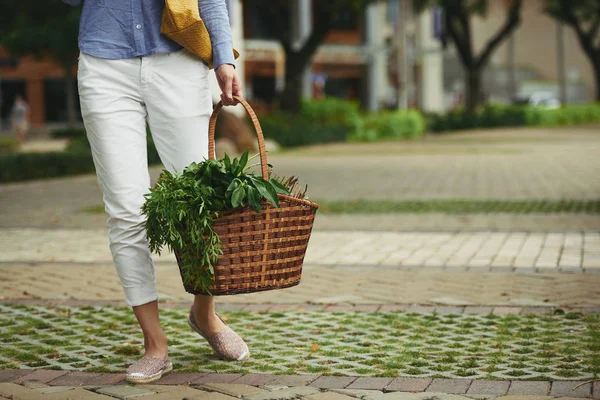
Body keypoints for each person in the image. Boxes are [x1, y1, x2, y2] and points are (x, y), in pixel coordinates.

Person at [63, 0, 248, 383]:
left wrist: (222, 56)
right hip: (104, 62)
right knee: (125, 210)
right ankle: (155, 345)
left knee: (200, 201)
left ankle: (205, 314)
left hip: (177, 58)